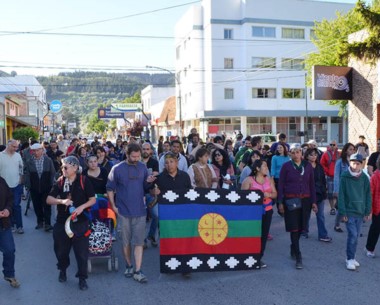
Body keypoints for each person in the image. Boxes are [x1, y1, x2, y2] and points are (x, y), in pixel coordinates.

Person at [106, 143, 155, 283]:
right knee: (126, 242)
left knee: (139, 242)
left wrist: (149, 182)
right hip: (123, 212)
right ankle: (129, 265)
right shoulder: (117, 169)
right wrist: (114, 206)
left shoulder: (142, 167)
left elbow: (145, 186)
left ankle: (138, 270)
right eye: (133, 156)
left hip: (140, 211)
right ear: (127, 155)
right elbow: (109, 188)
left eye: (138, 156)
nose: (136, 159)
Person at [46, 156, 96, 290]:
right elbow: (49, 199)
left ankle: (82, 278)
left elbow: (92, 199)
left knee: (81, 253)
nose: (63, 169)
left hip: (80, 222)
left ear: (75, 167)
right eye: (62, 167)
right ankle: (62, 269)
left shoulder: (84, 181)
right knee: (61, 250)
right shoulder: (60, 181)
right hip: (62, 222)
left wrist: (82, 207)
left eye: (66, 167)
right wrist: (61, 201)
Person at [277, 143, 317, 269]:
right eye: (293, 152)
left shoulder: (308, 166)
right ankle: (298, 256)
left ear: (301, 153)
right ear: (290, 154)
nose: (296, 154)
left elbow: (312, 185)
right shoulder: (286, 166)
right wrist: (280, 203)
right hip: (291, 200)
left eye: (298, 152)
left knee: (301, 227)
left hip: (305, 200)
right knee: (294, 228)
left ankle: (293, 245)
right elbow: (281, 185)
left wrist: (314, 202)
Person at [338, 153, 371, 271]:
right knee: (352, 236)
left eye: (358, 163)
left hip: (360, 211)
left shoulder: (364, 178)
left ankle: (352, 257)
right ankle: (349, 258)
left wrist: (367, 211)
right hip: (349, 211)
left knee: (356, 236)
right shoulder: (345, 177)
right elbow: (341, 195)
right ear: (349, 162)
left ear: (362, 164)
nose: (355, 165)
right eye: (353, 163)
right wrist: (343, 212)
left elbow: (368, 195)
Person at [241, 159, 277, 268]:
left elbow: (275, 193)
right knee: (252, 234)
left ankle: (258, 258)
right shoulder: (248, 180)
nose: (267, 168)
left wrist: (269, 195)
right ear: (257, 168)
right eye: (265, 166)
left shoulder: (269, 180)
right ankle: (247, 257)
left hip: (267, 210)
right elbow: (242, 198)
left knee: (264, 235)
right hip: (253, 212)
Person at [24, 143, 56, 231]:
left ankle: (48, 224)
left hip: (46, 187)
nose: (36, 152)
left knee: (47, 205)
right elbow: (27, 174)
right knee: (37, 206)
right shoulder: (29, 161)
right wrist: (28, 185)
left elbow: (52, 173)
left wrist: (52, 185)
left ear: (42, 150)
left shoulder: (48, 160)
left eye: (38, 150)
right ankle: (40, 222)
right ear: (32, 152)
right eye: (34, 151)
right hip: (34, 188)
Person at [304, 148, 331, 242]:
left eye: (315, 154)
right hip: (307, 194)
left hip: (319, 193)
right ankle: (304, 231)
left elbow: (323, 180)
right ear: (307, 156)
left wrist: (324, 192)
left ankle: (323, 234)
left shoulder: (319, 166)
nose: (314, 156)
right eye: (311, 155)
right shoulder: (304, 166)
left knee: (320, 215)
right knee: (306, 215)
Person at [0, 140, 24, 234]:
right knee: (6, 206)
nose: (16, 149)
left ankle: (19, 226)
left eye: (17, 147)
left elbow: (21, 167)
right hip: (3, 187)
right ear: (8, 145)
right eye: (14, 147)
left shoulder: (17, 155)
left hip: (16, 185)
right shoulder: (0, 156)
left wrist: (21, 179)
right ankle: (11, 225)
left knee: (16, 205)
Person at [0, 176, 20, 288]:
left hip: (3, 224)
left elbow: (10, 198)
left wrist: (8, 209)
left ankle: (9, 274)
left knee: (9, 250)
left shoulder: (1, 181)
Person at [333, 143, 356, 233]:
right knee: (342, 208)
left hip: (353, 188)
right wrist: (336, 190)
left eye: (353, 149)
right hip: (343, 189)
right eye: (350, 149)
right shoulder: (340, 162)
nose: (352, 151)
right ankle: (337, 224)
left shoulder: (355, 161)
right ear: (346, 150)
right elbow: (336, 176)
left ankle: (353, 227)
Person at [365, 157, 380, 258]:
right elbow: (370, 193)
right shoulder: (375, 176)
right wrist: (369, 210)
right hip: (378, 208)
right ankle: (370, 248)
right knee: (376, 228)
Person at [320, 140, 339, 215]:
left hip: (338, 176)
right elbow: (322, 164)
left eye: (334, 145)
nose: (332, 146)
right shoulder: (325, 154)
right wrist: (327, 171)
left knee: (337, 192)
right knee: (330, 193)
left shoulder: (339, 154)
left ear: (336, 145)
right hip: (330, 176)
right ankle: (332, 208)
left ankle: (337, 206)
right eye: (331, 144)